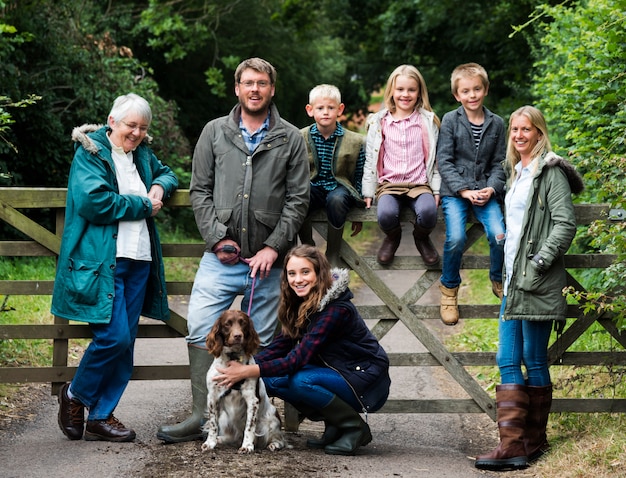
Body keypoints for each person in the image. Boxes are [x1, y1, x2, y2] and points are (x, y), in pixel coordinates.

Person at [157, 57, 310, 443]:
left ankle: (261, 424)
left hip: (270, 263)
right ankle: (201, 417)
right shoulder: (214, 132)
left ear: (272, 89)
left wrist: (275, 247)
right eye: (247, 83)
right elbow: (199, 190)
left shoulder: (290, 137)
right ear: (237, 89)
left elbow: (298, 198)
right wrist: (216, 237)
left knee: (262, 339)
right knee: (198, 324)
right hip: (220, 257)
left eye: (261, 83)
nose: (254, 89)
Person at [52, 93, 178, 442]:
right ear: (112, 122)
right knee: (114, 337)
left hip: (138, 260)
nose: (136, 133)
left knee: (126, 342)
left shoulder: (142, 155)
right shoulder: (90, 153)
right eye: (130, 125)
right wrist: (143, 204)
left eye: (142, 127)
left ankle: (101, 416)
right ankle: (75, 395)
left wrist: (158, 186)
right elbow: (95, 202)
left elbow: (169, 175)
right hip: (101, 262)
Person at [475, 106, 583, 471]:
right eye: (515, 130)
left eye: (527, 129)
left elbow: (565, 224)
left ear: (539, 133)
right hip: (512, 281)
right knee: (508, 358)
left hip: (535, 279)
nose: (519, 135)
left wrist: (539, 263)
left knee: (530, 359)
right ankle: (517, 444)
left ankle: (528, 443)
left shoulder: (550, 172)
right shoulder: (517, 172)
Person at [214, 244, 391, 456]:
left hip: (365, 379)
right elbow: (280, 346)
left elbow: (295, 360)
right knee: (269, 380)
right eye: (292, 273)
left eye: (305, 272)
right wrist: (244, 364)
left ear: (319, 273)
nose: (298, 280)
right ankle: (335, 424)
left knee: (300, 380)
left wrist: (247, 372)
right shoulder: (301, 303)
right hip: (338, 374)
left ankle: (355, 427)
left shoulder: (335, 310)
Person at [437, 63, 506, 326]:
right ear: (457, 95)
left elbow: (500, 162)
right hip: (456, 193)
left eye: (477, 89)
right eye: (466, 91)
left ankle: (498, 279)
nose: (472, 95)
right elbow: (444, 161)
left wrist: (492, 188)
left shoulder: (497, 123)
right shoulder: (450, 120)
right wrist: (463, 190)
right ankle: (449, 290)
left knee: (499, 235)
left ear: (485, 90)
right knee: (455, 236)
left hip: (487, 191)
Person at [363, 64, 441, 266]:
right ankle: (393, 237)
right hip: (389, 184)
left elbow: (436, 159)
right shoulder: (379, 122)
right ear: (391, 91)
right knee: (386, 214)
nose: (405, 94)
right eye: (400, 89)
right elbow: (371, 160)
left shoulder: (428, 121)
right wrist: (369, 191)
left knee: (429, 212)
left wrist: (437, 189)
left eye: (411, 90)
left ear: (419, 93)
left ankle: (421, 238)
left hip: (419, 184)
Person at [298, 84, 366, 266]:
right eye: (320, 108)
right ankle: (307, 247)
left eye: (331, 108)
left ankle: (333, 252)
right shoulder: (299, 137)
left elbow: (359, 173)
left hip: (339, 188)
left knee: (336, 199)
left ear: (340, 109)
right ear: (310, 110)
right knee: (301, 194)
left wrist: (359, 202)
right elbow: (293, 172)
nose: (326, 112)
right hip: (313, 187)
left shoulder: (355, 141)